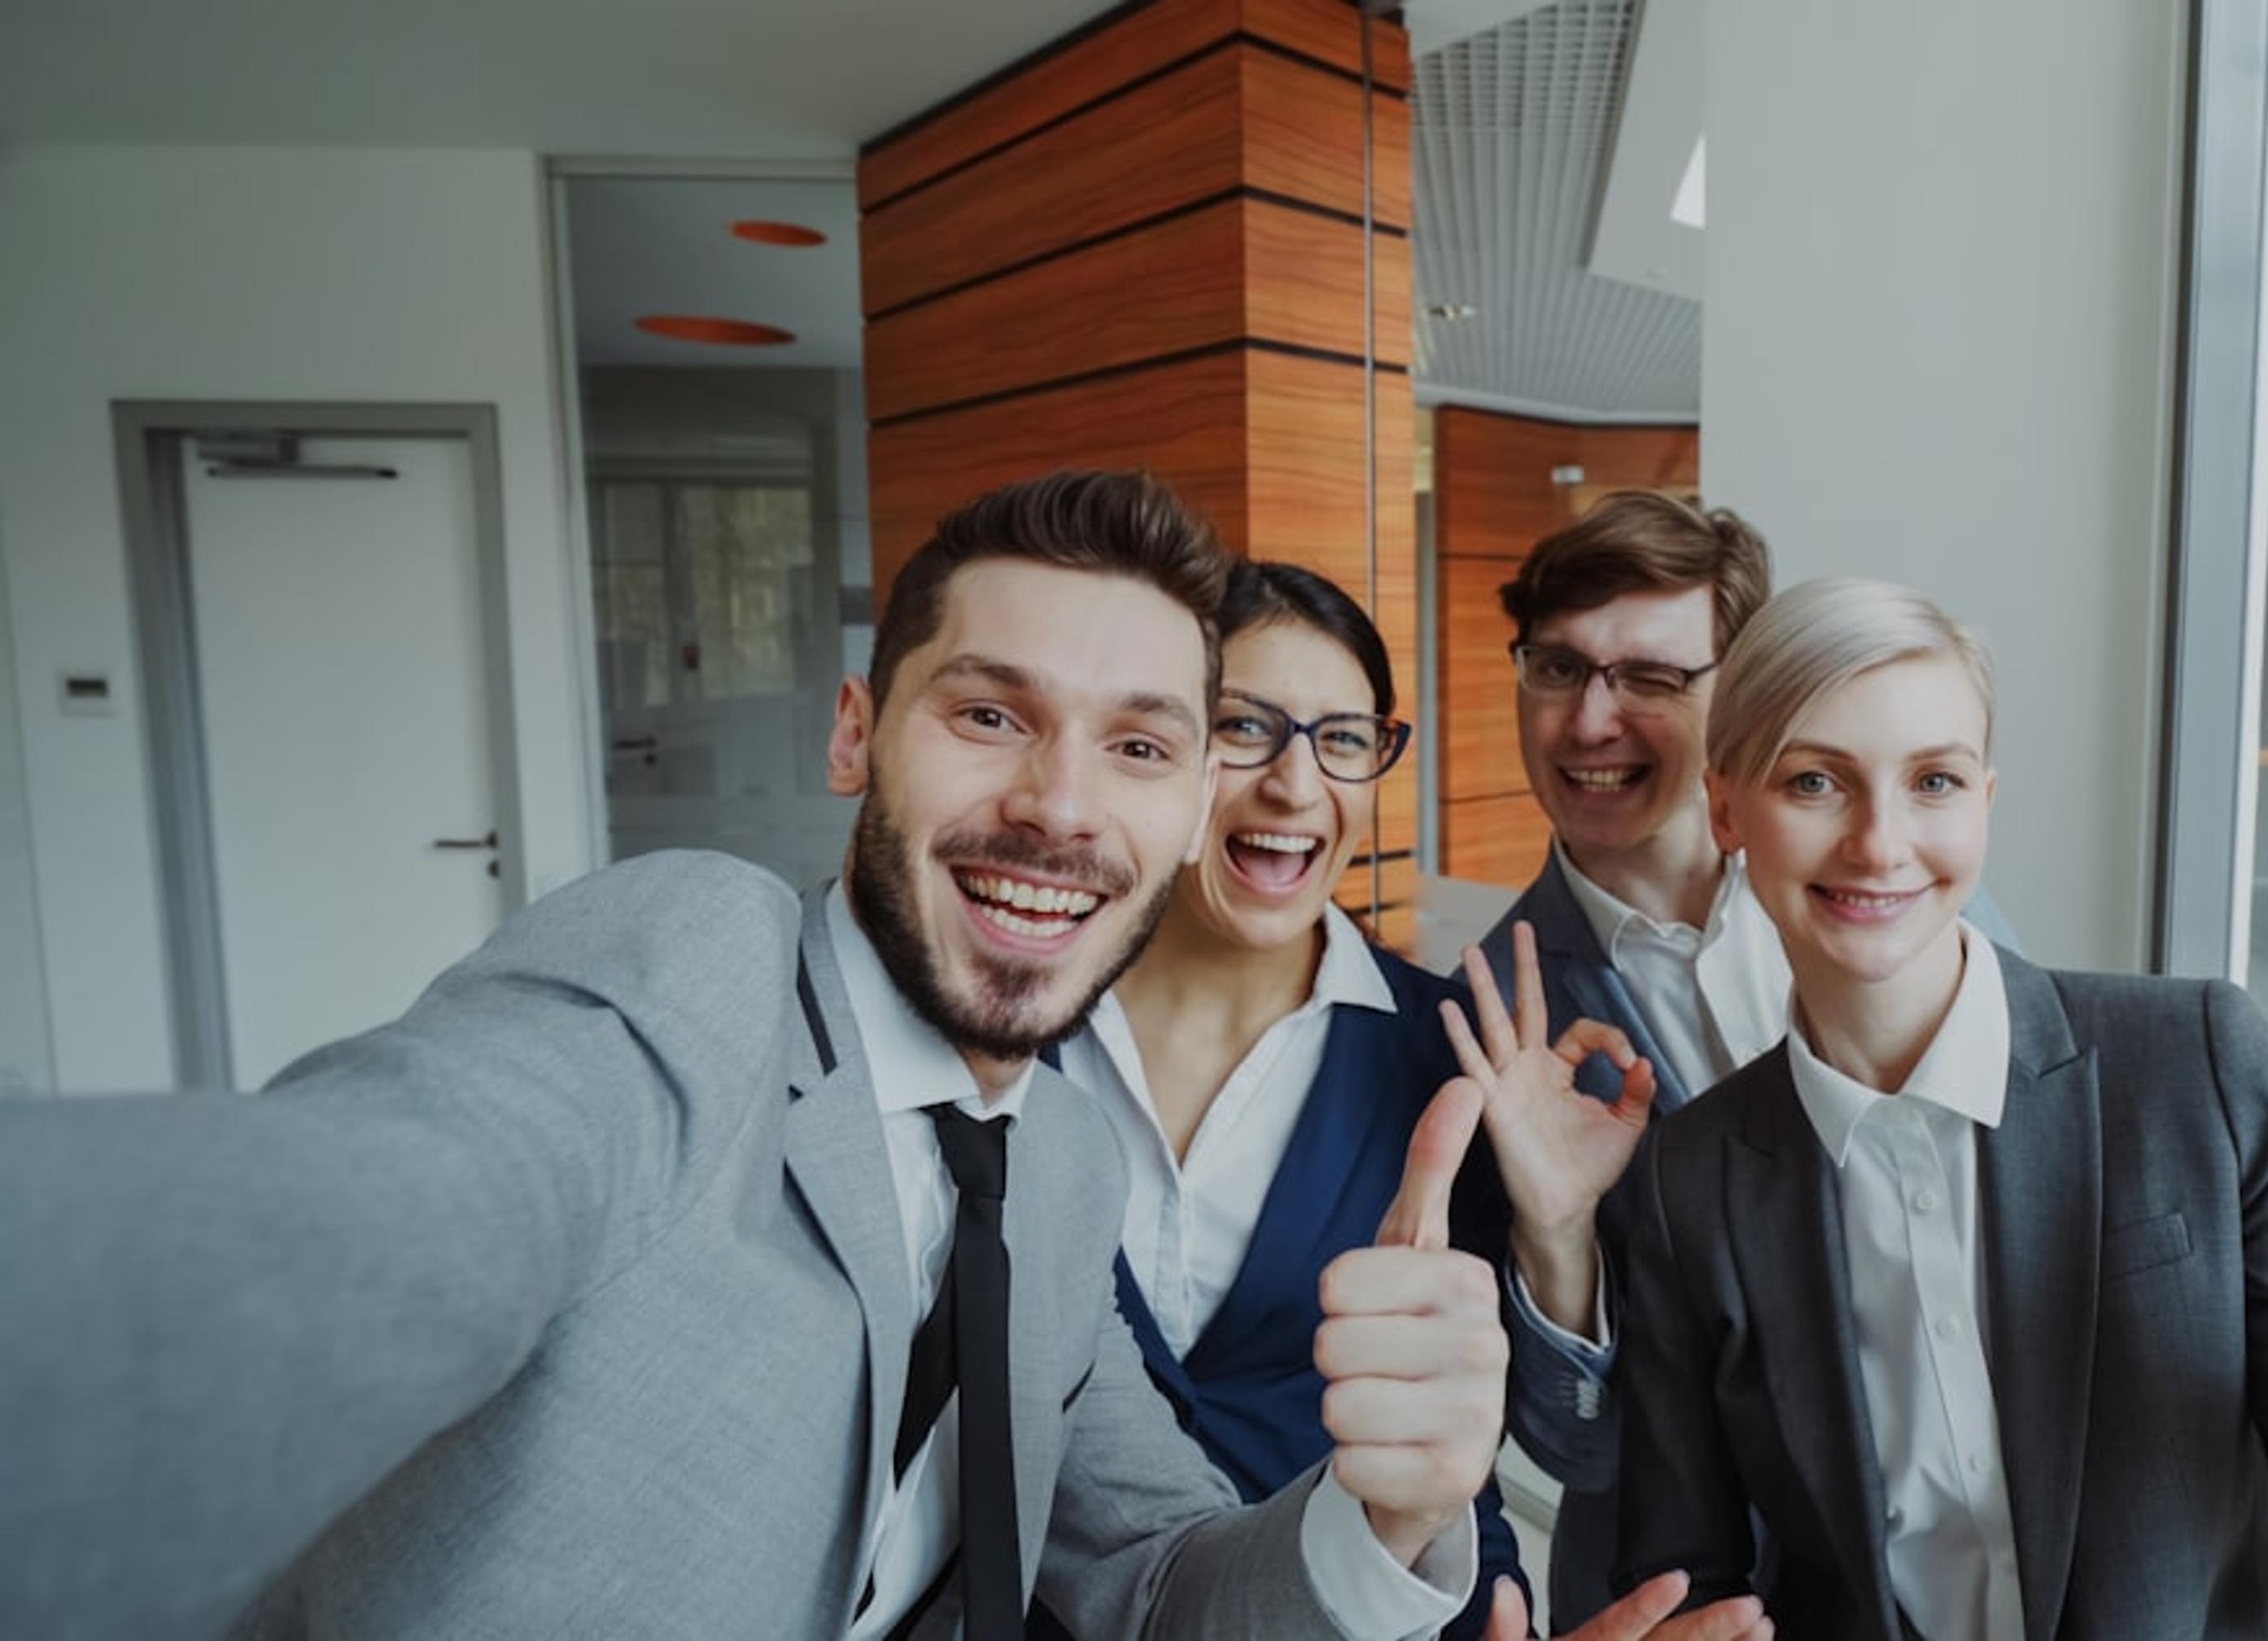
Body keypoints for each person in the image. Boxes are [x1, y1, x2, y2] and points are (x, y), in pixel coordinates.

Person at [0, 473, 1517, 1641]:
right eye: (990, 713)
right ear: (857, 735)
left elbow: (1161, 1583)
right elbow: (388, 1207)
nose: (1061, 807)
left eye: (1137, 745)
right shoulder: (699, 966)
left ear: (1190, 806)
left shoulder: (1053, 1175)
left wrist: (1387, 1519)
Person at [1462, 578, 2268, 1639]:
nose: (1880, 844)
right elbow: (1690, 1578)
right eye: (1815, 783)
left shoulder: (2193, 1066)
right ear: (1728, 807)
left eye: (1933, 781)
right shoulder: (1688, 1175)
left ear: (1986, 801)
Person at [1034, 562, 1765, 1641]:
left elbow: (1492, 1454)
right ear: (1160, 745)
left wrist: (1555, 1228)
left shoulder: (1454, 1050)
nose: (1294, 785)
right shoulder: (1011, 1029)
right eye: (1246, 727)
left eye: (1342, 739)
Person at [1457, 493, 2010, 1623]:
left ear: (1739, 698)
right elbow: (1574, 1443)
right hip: (1694, 1593)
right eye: (1558, 669)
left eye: (1652, 679)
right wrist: (1558, 1237)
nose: (1589, 723)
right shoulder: (1487, 1013)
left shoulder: (1903, 894)